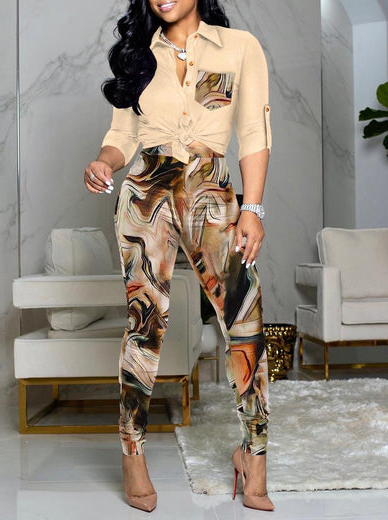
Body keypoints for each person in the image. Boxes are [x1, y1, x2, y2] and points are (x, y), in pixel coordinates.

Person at [84, 0, 274, 513]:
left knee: (245, 320)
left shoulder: (239, 48)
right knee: (145, 323)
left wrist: (252, 208)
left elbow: (254, 133)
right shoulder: (138, 54)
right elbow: (122, 136)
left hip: (211, 193)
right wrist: (102, 163)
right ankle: (132, 454)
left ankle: (254, 455)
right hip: (145, 193)